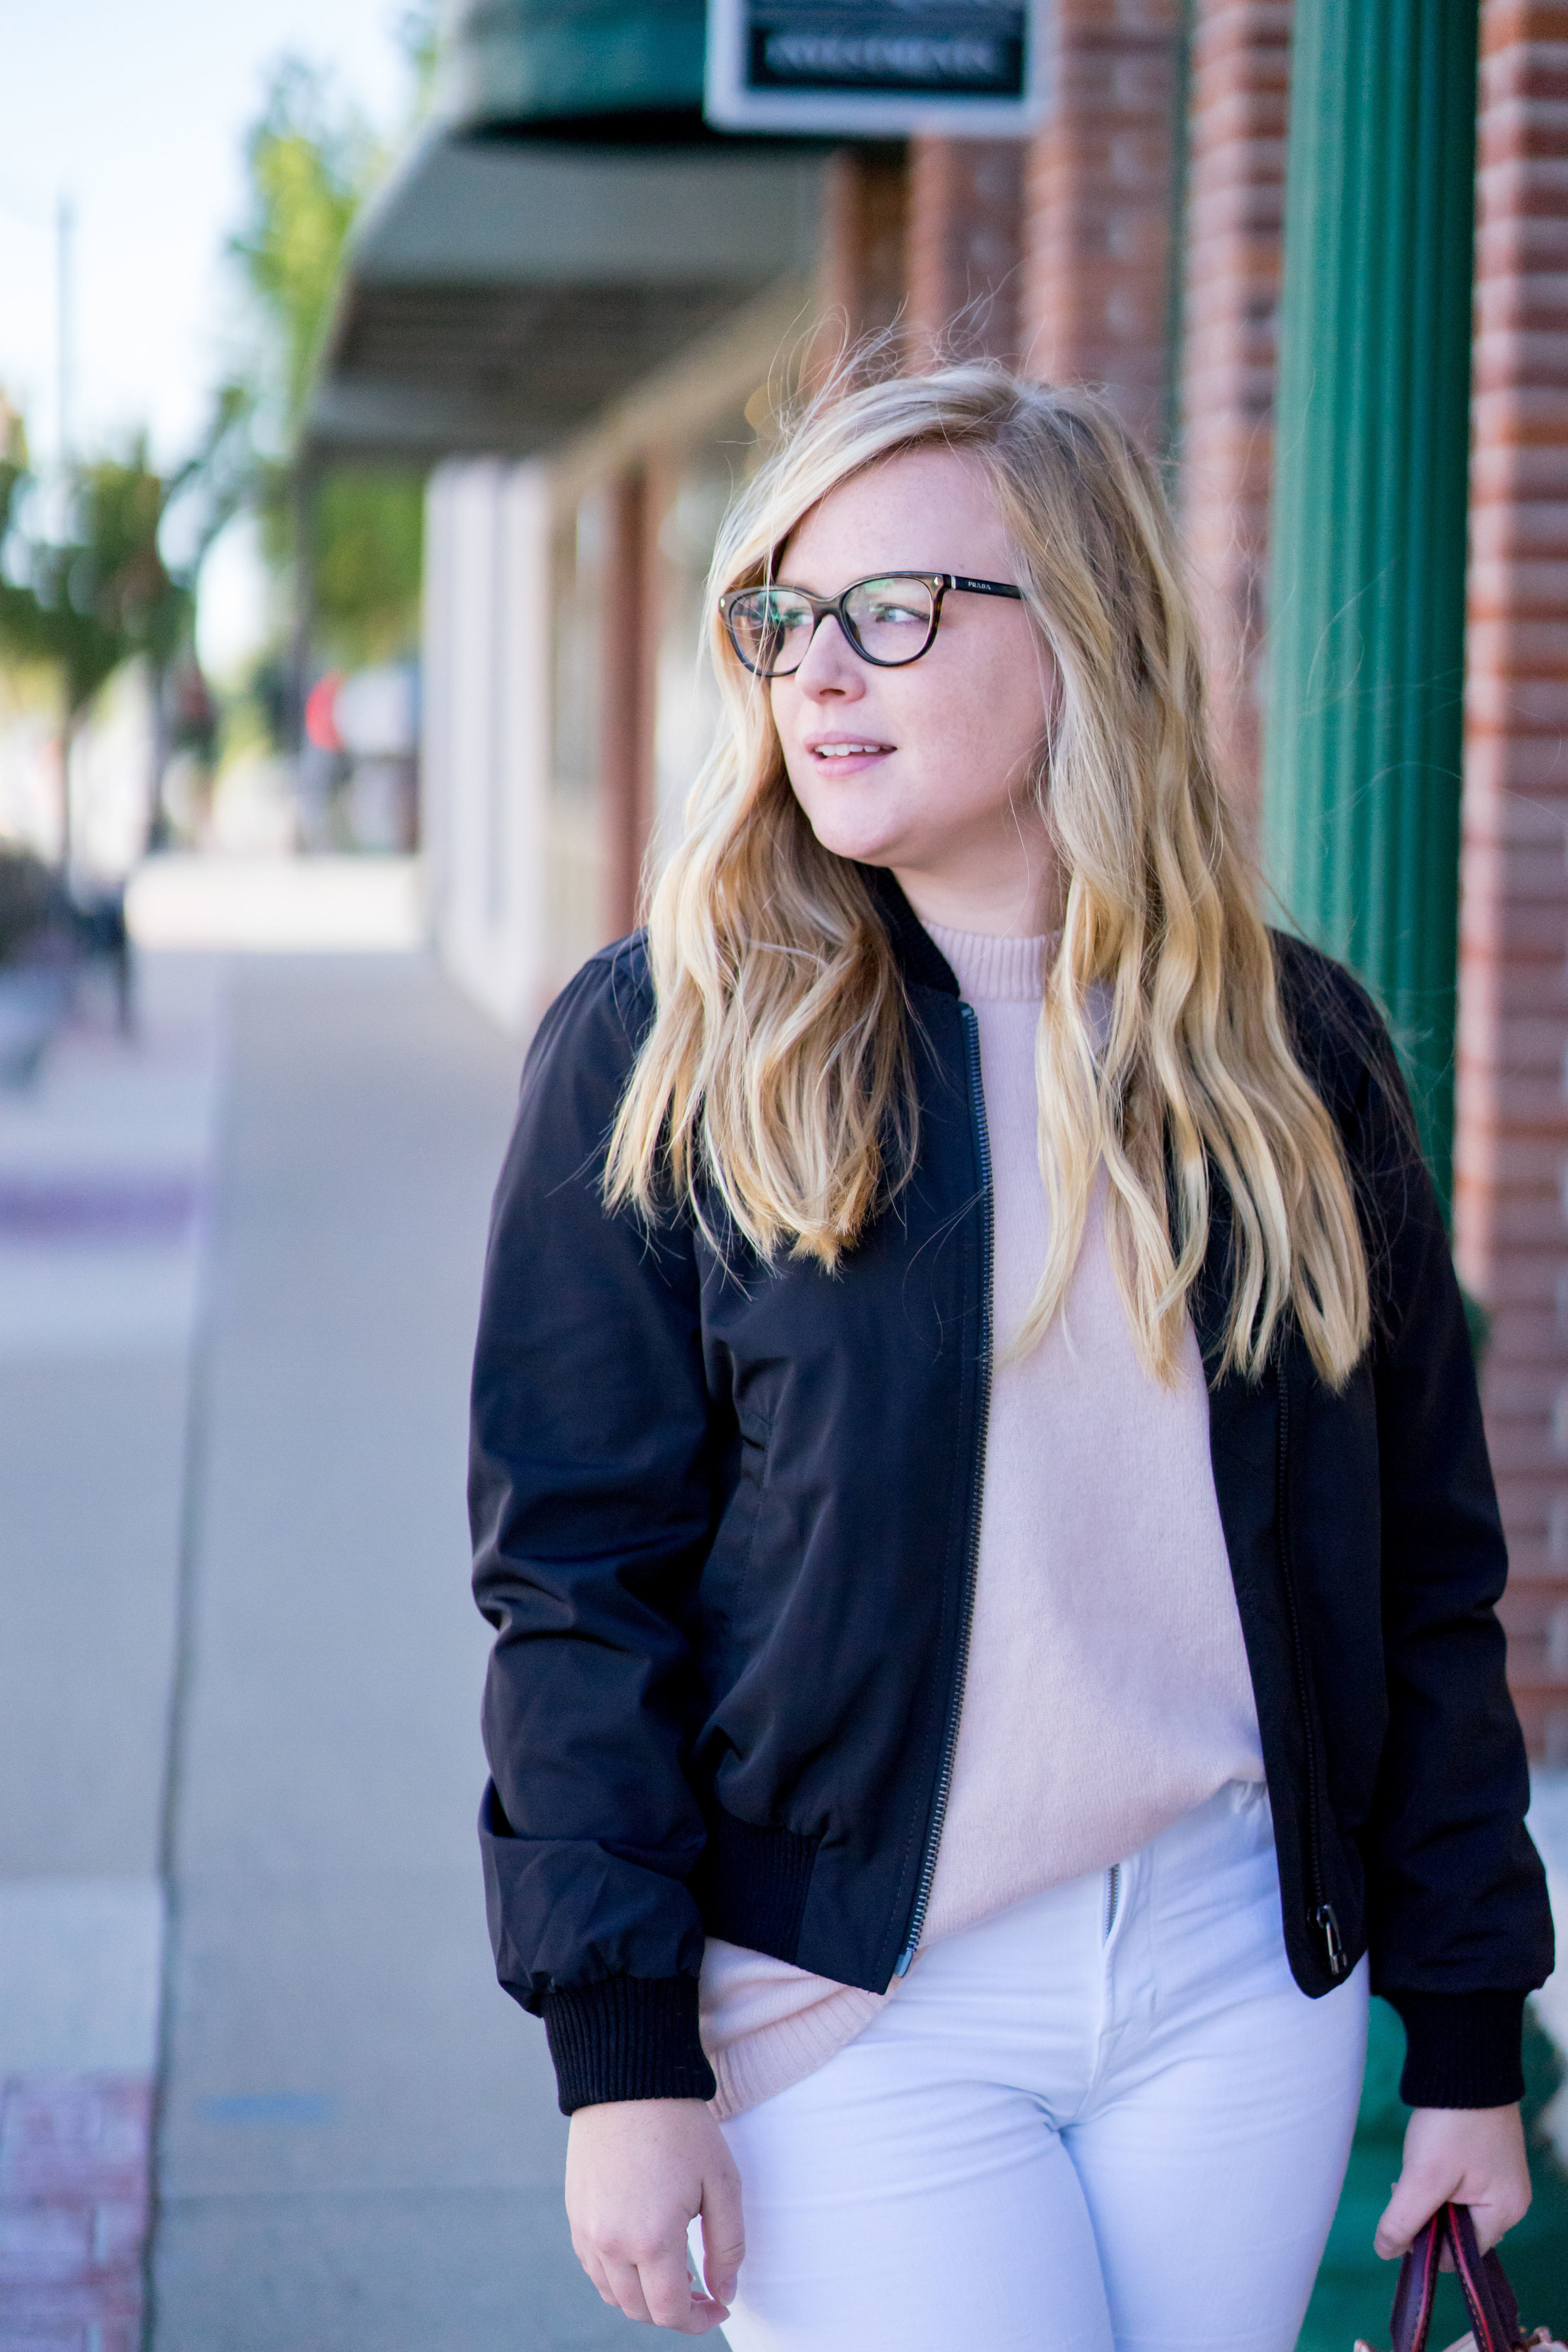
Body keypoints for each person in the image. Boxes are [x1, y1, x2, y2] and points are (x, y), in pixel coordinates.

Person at [469, 364, 1554, 2352]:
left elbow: (1420, 1582)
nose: (818, 670)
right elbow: (575, 1587)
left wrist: (1470, 2037)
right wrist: (621, 2053)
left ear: (1081, 641)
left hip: (1238, 1981)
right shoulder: (665, 1049)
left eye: (894, 609)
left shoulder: (1288, 1055)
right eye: (783, 617)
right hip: (848, 2007)